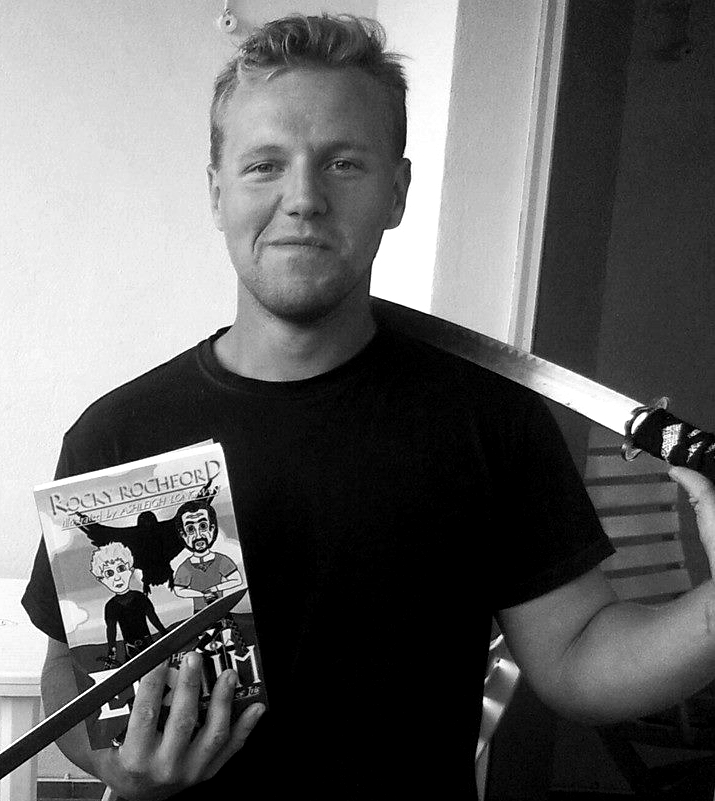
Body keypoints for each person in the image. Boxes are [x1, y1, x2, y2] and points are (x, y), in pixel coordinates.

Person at [21, 13, 715, 801]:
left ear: (397, 191)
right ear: (216, 192)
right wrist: (113, 762)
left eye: (343, 163)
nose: (303, 199)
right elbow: (67, 666)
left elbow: (578, 657)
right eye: (263, 165)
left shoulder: (492, 420)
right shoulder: (119, 431)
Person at [90, 542, 168, 664]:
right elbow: (111, 630)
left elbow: (153, 618)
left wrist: (164, 634)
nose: (117, 578)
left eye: (121, 569)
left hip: (148, 644)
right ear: (101, 579)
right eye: (109, 573)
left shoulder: (140, 597)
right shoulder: (111, 606)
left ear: (130, 570)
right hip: (130, 650)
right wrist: (111, 651)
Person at [172, 499, 244, 611]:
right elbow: (178, 590)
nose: (198, 535)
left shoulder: (221, 560)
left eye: (203, 526)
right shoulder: (185, 567)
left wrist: (215, 588)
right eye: (190, 529)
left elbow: (237, 580)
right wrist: (202, 594)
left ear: (212, 528)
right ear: (183, 535)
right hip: (201, 614)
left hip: (221, 610)